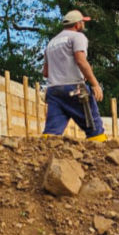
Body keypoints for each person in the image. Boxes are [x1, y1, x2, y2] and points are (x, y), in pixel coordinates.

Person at [41, 9, 107, 141]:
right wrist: (95, 84)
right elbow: (81, 60)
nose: (84, 24)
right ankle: (102, 155)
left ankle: (43, 156)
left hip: (53, 91)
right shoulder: (77, 37)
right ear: (77, 25)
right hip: (75, 89)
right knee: (94, 127)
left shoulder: (51, 43)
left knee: (51, 133)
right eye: (83, 22)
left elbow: (46, 72)